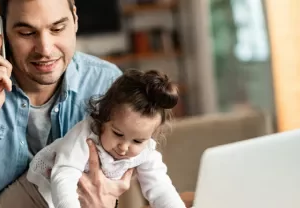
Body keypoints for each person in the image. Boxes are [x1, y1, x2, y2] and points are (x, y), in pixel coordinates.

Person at [0, 0, 133, 207]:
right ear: (2, 30)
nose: (45, 50)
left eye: (57, 28)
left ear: (75, 20)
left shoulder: (107, 82)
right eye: (26, 33)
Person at [24, 69, 186, 208]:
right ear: (103, 119)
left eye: (137, 141)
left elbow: (161, 188)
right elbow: (63, 176)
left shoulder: (147, 152)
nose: (123, 147)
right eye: (117, 133)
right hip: (33, 193)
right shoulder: (85, 134)